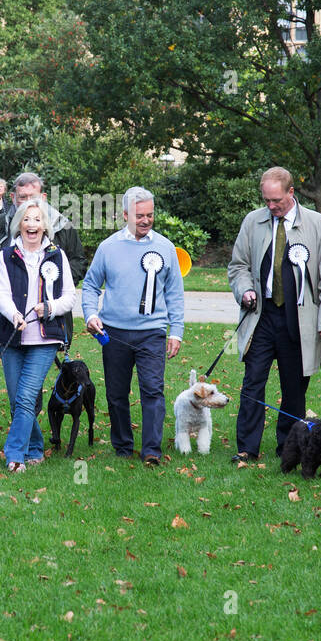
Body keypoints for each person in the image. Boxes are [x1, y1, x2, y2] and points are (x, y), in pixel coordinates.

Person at [228, 167, 321, 462]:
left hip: (299, 320)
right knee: (253, 381)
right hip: (262, 317)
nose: (270, 206)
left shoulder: (320, 225)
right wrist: (244, 292)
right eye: (266, 200)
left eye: (276, 200)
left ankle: (287, 448)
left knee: (295, 388)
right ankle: (247, 448)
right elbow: (238, 266)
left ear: (292, 193)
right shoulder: (253, 222)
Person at [81, 187, 185, 466]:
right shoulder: (108, 247)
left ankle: (152, 450)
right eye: (139, 215)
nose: (146, 220)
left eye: (150, 215)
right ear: (125, 215)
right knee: (116, 393)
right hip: (113, 332)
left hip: (152, 332)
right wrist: (91, 315)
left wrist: (176, 330)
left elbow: (175, 292)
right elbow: (90, 285)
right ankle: (123, 446)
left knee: (152, 390)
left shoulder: (165, 247)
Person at [0, 198, 76, 472]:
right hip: (12, 336)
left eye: (37, 220)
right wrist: (14, 315)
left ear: (45, 226)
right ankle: (35, 447)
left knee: (27, 397)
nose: (32, 224)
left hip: (45, 337)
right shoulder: (6, 255)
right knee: (18, 398)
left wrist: (49, 307)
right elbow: (1, 294)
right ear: (19, 224)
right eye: (27, 219)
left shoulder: (57, 254)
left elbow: (69, 298)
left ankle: (14, 454)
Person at [0, 172, 85, 353]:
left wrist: (52, 282)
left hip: (46, 318)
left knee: (32, 380)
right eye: (22, 197)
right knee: (15, 379)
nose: (27, 202)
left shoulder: (62, 226)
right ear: (12, 197)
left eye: (33, 197)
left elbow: (78, 262)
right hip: (6, 319)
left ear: (43, 197)